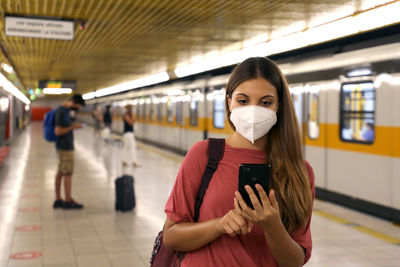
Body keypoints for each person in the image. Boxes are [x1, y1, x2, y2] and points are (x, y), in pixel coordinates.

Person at [163, 57, 315, 266]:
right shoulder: (204, 155)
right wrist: (218, 225)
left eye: (265, 102)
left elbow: (295, 261)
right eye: (243, 101)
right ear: (229, 102)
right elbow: (170, 236)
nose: (253, 110)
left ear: (278, 106)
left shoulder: (300, 172)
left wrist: (272, 227)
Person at [53, 94, 85, 209]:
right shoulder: (61, 112)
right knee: (68, 173)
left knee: (61, 172)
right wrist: (73, 127)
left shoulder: (64, 111)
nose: (78, 109)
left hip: (63, 147)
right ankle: (67, 201)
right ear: (73, 102)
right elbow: (58, 131)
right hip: (66, 147)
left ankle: (58, 199)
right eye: (78, 106)